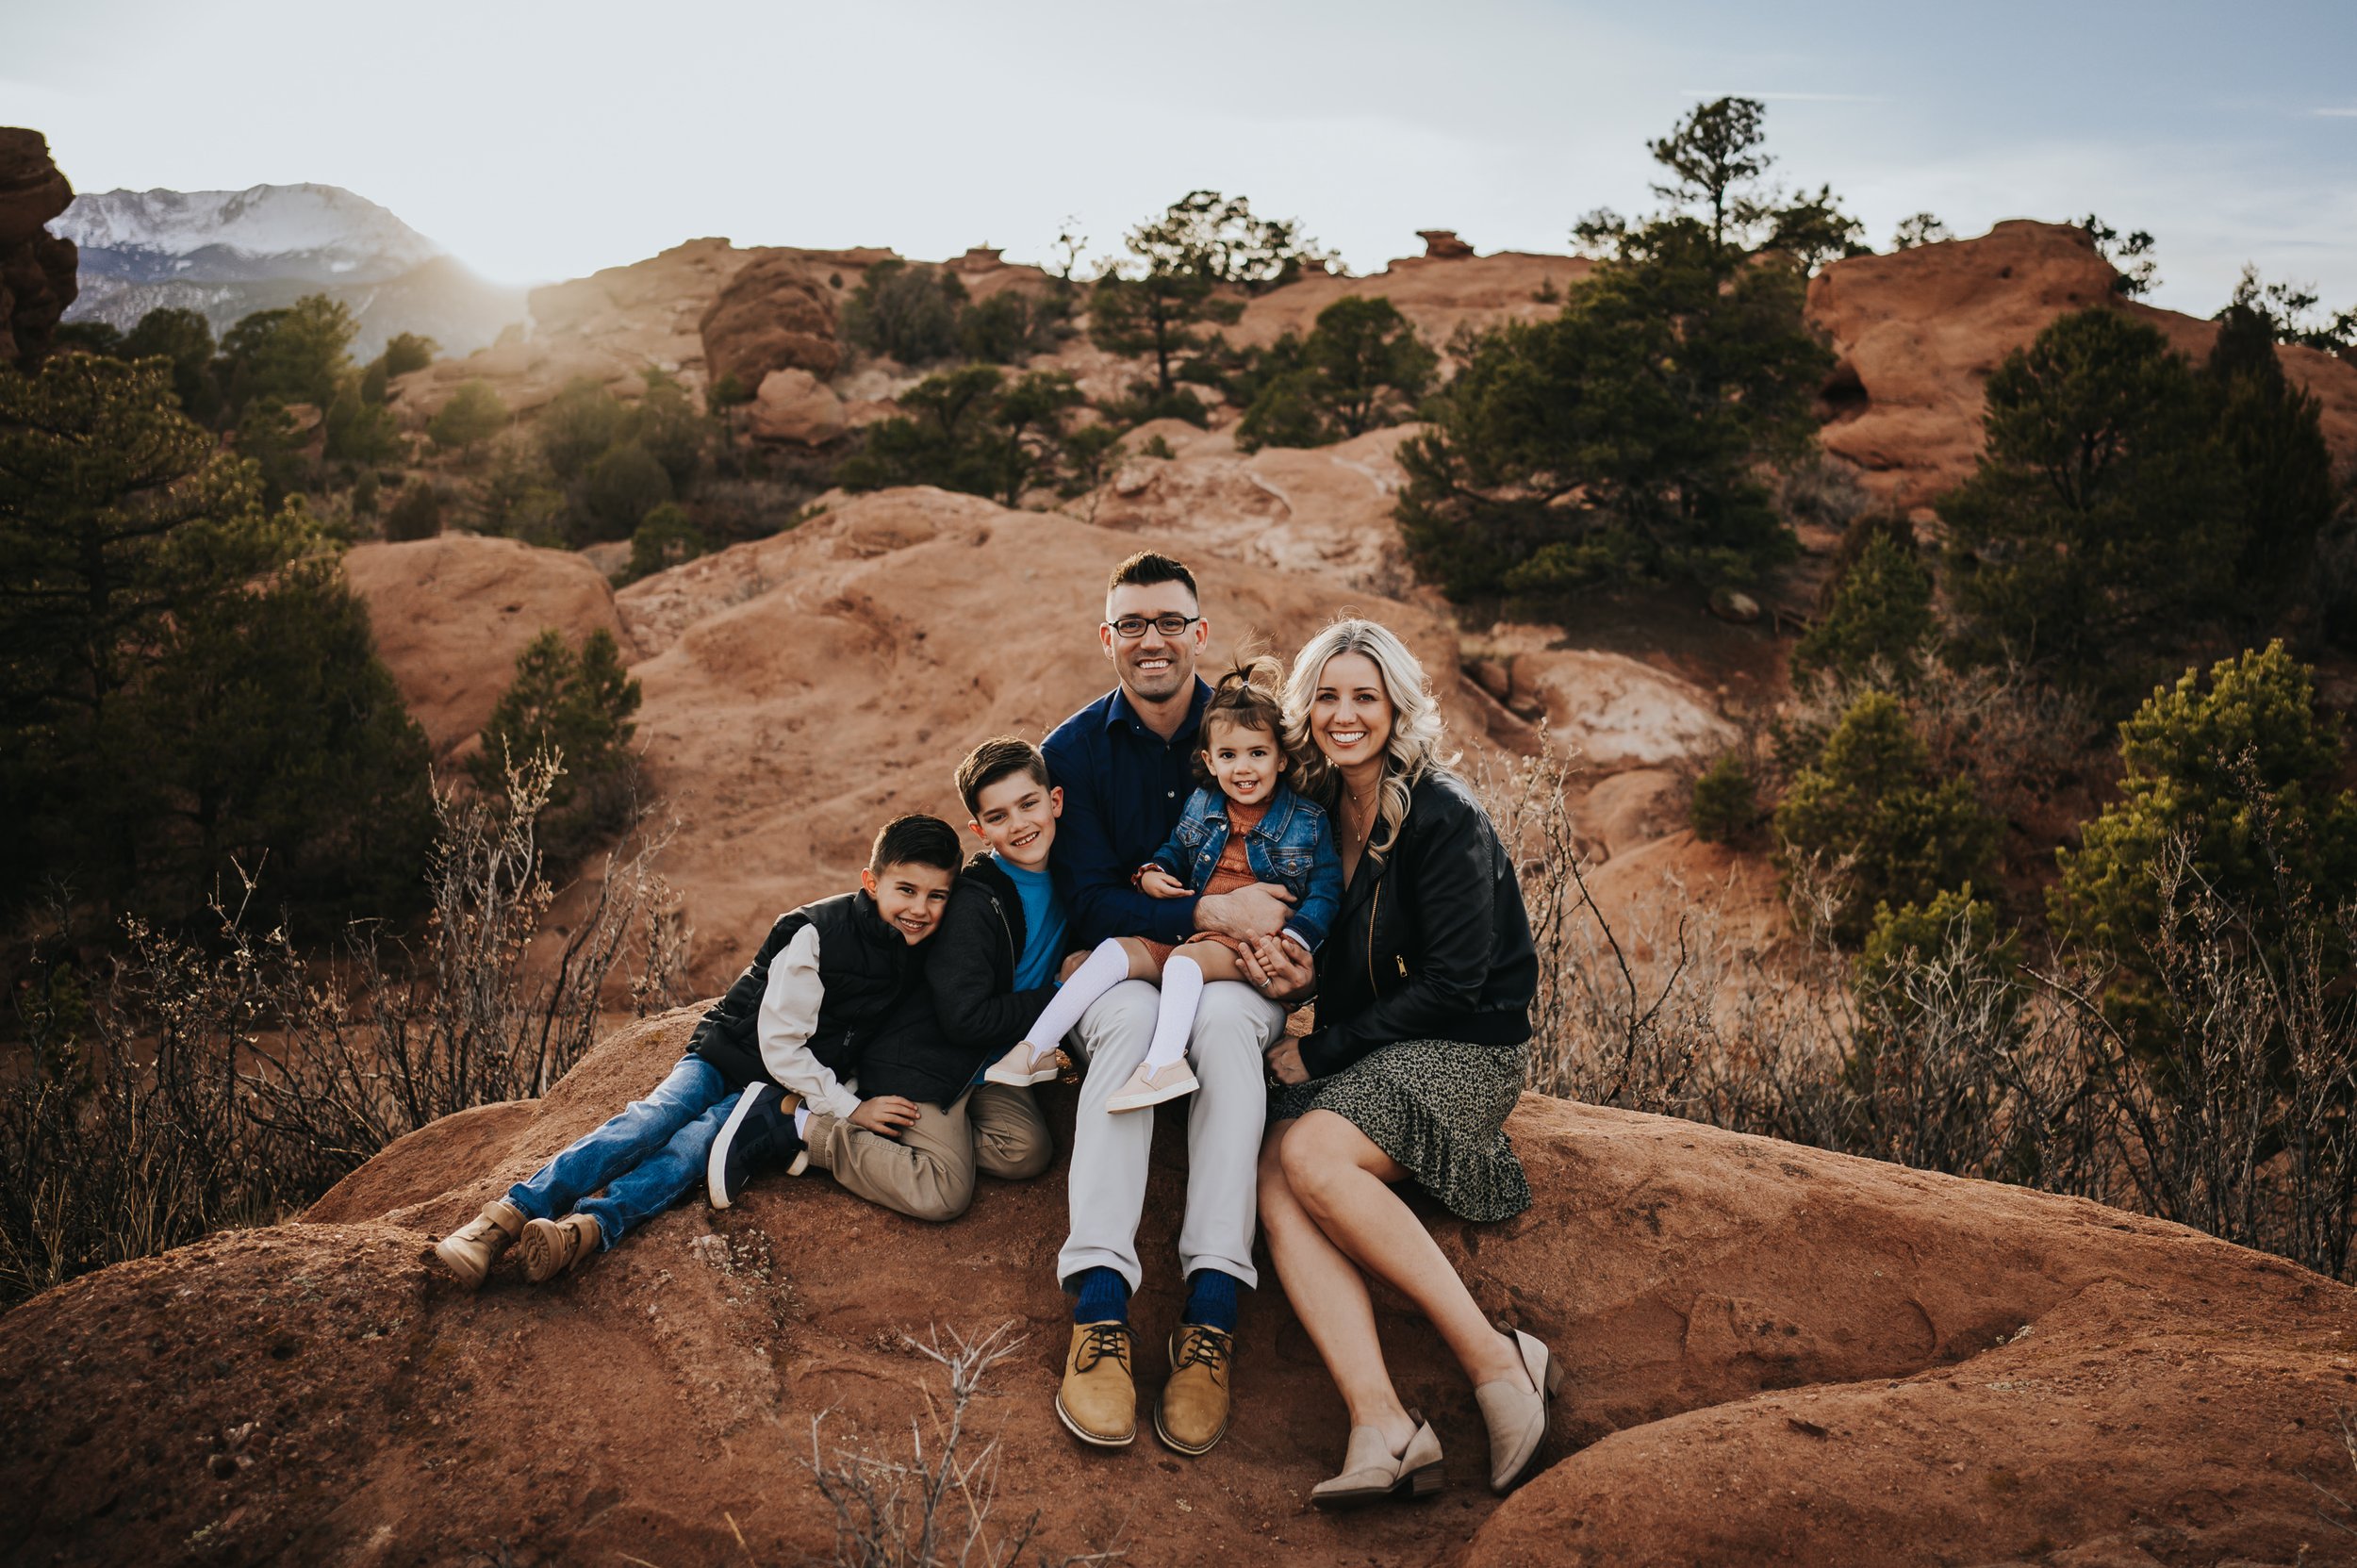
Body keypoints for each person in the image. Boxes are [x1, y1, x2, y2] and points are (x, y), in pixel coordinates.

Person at [1240, 619, 1557, 1508]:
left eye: (1365, 698)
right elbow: (1341, 956)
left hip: (1468, 1049)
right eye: (1328, 697)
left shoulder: (1442, 813)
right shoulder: (1311, 816)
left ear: (1398, 708)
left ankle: (1501, 1362)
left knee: (1308, 1154)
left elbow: (1458, 984)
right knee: (1271, 1172)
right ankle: (1381, 1421)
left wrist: (1322, 1048)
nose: (1345, 715)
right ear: (1307, 709)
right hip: (1381, 1049)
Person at [430, 816, 963, 1288]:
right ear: (871, 884)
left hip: (772, 1091)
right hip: (731, 1055)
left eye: (936, 896)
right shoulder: (818, 934)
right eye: (906, 890)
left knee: (693, 1148)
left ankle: (583, 1230)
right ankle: (501, 1220)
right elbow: (780, 1046)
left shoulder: (917, 951)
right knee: (650, 1120)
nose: (920, 909)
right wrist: (850, 1108)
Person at [1040, 550, 1295, 1457]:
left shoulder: (1252, 730)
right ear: (1108, 637)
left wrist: (1288, 947)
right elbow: (1088, 897)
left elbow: (1309, 859)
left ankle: (1211, 1315)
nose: (1154, 640)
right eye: (1134, 624)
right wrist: (1202, 906)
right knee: (1135, 1020)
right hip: (1128, 960)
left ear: (1200, 631)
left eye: (1171, 622)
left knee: (1226, 1030)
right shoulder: (1068, 752)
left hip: (1234, 970)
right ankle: (1100, 1308)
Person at [709, 740, 1072, 1218]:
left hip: (989, 1063)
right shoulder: (973, 902)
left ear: (1056, 802)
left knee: (1026, 1152)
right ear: (980, 830)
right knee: (944, 1193)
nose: (1021, 824)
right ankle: (794, 1126)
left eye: (1029, 805)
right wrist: (1063, 997)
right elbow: (965, 1019)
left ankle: (931, 1144)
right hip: (926, 1061)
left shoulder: (1073, 875)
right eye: (1000, 816)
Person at [992, 655, 1341, 1115]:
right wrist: (1151, 872)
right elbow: (1177, 846)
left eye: (1258, 753)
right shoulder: (1203, 804)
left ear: (1281, 756)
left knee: (1183, 961)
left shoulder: (1307, 821)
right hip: (1197, 934)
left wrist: (1299, 937)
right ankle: (1035, 1049)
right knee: (1114, 952)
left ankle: (1163, 1063)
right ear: (1210, 762)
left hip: (1250, 944)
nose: (1244, 768)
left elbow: (1327, 888)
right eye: (1229, 755)